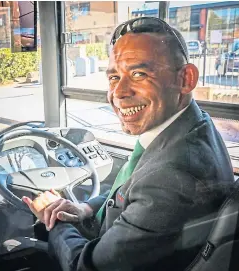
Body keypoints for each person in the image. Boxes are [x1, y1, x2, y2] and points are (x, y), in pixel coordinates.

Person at [22, 17, 234, 271]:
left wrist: (54, 221)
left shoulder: (171, 177)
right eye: (113, 77)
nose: (119, 92)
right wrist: (86, 208)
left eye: (138, 74)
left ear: (186, 79)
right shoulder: (192, 126)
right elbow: (130, 187)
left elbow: (84, 266)